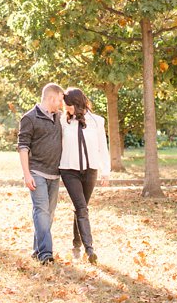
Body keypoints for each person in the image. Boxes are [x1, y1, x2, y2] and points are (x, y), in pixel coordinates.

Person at [60, 87, 111, 264]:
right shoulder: (63, 121)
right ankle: (90, 250)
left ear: (77, 103)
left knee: (81, 207)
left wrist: (106, 171)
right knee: (81, 207)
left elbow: (102, 147)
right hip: (69, 170)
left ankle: (76, 244)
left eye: (69, 105)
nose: (66, 108)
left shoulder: (97, 121)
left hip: (90, 170)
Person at [17, 83, 65, 264]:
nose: (61, 104)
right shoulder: (29, 118)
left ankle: (37, 250)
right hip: (36, 172)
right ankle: (46, 254)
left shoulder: (59, 118)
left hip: (55, 174)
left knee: (48, 214)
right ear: (51, 98)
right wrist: (27, 174)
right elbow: (22, 147)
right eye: (60, 100)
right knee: (41, 211)